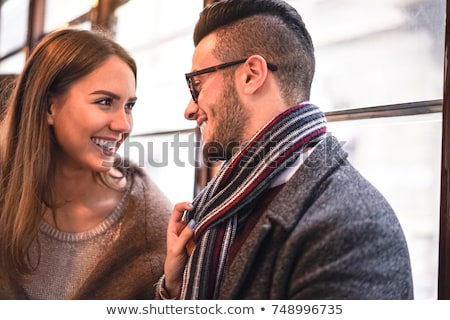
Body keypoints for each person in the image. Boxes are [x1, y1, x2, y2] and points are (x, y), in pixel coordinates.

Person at [157, 0, 414, 299]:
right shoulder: (222, 199)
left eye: (197, 84)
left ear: (251, 75)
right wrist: (174, 288)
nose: (189, 109)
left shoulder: (353, 229)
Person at [0, 28, 172, 299]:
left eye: (129, 106)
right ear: (49, 108)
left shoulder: (150, 220)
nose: (123, 125)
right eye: (105, 102)